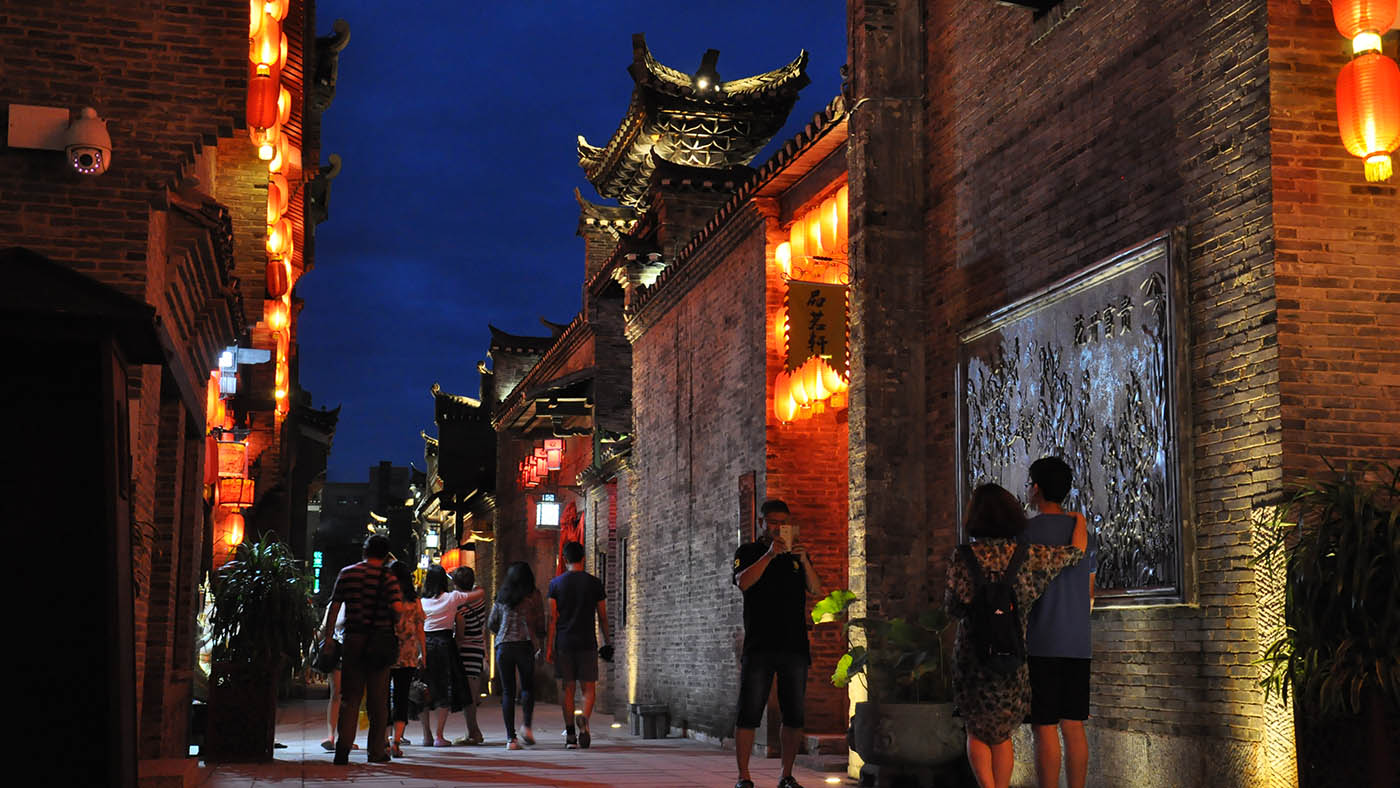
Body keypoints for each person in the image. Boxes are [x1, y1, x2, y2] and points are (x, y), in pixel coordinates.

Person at [944, 483, 1086, 788]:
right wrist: (1080, 521)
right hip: (1011, 655)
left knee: (976, 729)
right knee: (1002, 734)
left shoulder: (963, 556)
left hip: (971, 657)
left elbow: (952, 609)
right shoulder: (1027, 556)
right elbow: (1075, 553)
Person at [731, 499, 822, 788]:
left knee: (794, 714)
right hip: (759, 646)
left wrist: (804, 561)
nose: (778, 527)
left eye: (784, 522)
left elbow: (816, 588)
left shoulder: (797, 556)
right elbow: (743, 582)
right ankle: (744, 776)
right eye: (772, 522)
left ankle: (787, 775)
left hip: (794, 646)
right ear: (762, 523)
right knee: (749, 712)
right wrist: (770, 555)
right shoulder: (748, 552)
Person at [1023, 458, 1096, 788]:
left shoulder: (1025, 533)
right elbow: (1089, 592)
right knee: (1074, 725)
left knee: (1044, 726)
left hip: (1040, 640)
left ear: (1036, 488)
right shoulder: (1082, 532)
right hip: (1078, 642)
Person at [323, 534, 402, 766]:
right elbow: (398, 611)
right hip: (380, 642)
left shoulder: (347, 573)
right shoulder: (389, 577)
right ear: (385, 555)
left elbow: (334, 607)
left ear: (365, 551)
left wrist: (328, 638)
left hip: (353, 640)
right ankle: (376, 752)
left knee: (350, 698)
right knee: (378, 701)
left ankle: (342, 750)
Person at [545, 541, 610, 749]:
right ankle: (584, 720)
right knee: (588, 688)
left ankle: (571, 736)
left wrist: (549, 646)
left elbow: (552, 619)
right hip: (587, 641)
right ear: (583, 558)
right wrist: (607, 641)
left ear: (565, 559)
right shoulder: (595, 583)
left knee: (568, 689)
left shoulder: (555, 584)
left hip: (564, 642)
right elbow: (602, 616)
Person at [419, 563, 486, 747]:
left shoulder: (421, 602)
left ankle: (426, 735)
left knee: (424, 689)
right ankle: (439, 735)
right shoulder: (452, 598)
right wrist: (473, 585)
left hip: (425, 644)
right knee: (444, 689)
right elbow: (480, 593)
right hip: (445, 644)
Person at [489, 561, 545, 750]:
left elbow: (492, 622)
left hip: (504, 646)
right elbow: (540, 622)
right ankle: (527, 727)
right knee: (527, 687)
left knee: (508, 691)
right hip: (525, 645)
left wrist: (501, 632)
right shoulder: (534, 595)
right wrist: (541, 643)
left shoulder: (502, 595)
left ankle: (510, 738)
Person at [387, 560, 426, 758]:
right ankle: (396, 742)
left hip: (386, 653)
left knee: (383, 697)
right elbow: (420, 629)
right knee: (401, 697)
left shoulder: (385, 598)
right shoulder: (414, 600)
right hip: (408, 654)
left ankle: (383, 741)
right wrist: (423, 654)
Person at [451, 565, 488, 745]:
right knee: (471, 694)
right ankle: (473, 731)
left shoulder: (460, 609)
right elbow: (480, 588)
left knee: (469, 697)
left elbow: (460, 636)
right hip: (478, 650)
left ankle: (473, 732)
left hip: (466, 652)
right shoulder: (479, 600)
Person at [318, 604, 354, 752]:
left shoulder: (352, 601)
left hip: (354, 653)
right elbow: (324, 626)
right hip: (338, 652)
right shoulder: (336, 604)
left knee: (350, 697)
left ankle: (346, 737)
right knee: (336, 694)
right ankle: (332, 736)